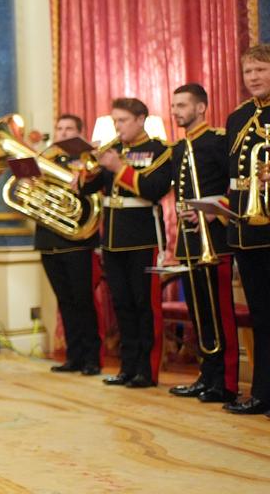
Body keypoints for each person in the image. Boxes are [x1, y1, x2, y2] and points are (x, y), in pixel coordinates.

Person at [80, 97, 170, 388]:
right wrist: (88, 169)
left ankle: (147, 369)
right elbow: (90, 187)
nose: (117, 127)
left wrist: (119, 167)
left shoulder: (159, 150)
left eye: (123, 120)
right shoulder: (113, 150)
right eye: (115, 120)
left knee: (145, 306)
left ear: (141, 119)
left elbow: (154, 189)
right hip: (113, 239)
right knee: (121, 305)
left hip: (142, 238)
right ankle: (127, 367)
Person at [167, 84, 239, 404]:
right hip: (190, 242)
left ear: (201, 108)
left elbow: (234, 188)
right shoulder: (178, 149)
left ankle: (225, 382)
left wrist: (213, 214)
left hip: (217, 241)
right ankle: (206, 374)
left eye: (182, 105)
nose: (176, 111)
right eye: (174, 105)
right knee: (199, 315)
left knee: (220, 313)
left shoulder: (218, 141)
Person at [34, 114, 102, 377]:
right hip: (49, 239)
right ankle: (73, 356)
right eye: (59, 128)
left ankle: (91, 358)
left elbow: (95, 190)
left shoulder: (88, 159)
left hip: (77, 240)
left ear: (80, 132)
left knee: (82, 300)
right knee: (64, 301)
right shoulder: (45, 159)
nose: (63, 133)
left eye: (69, 129)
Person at [223, 44, 270, 414]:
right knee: (259, 315)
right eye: (248, 71)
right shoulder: (238, 117)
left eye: (260, 70)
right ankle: (261, 393)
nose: (252, 77)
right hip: (246, 228)